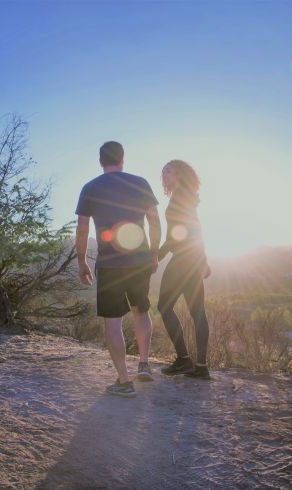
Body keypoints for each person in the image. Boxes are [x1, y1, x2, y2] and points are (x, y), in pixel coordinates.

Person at [76, 141, 161, 397]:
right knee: (141, 309)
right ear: (123, 158)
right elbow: (155, 220)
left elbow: (82, 229)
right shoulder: (140, 182)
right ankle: (144, 364)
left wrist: (82, 261)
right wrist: (154, 252)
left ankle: (124, 381)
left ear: (100, 161)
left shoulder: (90, 187)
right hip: (139, 262)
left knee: (113, 322)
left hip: (110, 264)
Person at [157, 160, 211, 380]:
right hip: (193, 261)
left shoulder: (180, 198)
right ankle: (201, 366)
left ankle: (184, 359)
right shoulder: (186, 196)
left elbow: (175, 236)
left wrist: (156, 257)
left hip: (182, 261)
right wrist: (203, 260)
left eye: (168, 171)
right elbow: (197, 229)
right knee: (198, 314)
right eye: (162, 173)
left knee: (164, 306)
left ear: (179, 174)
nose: (164, 175)